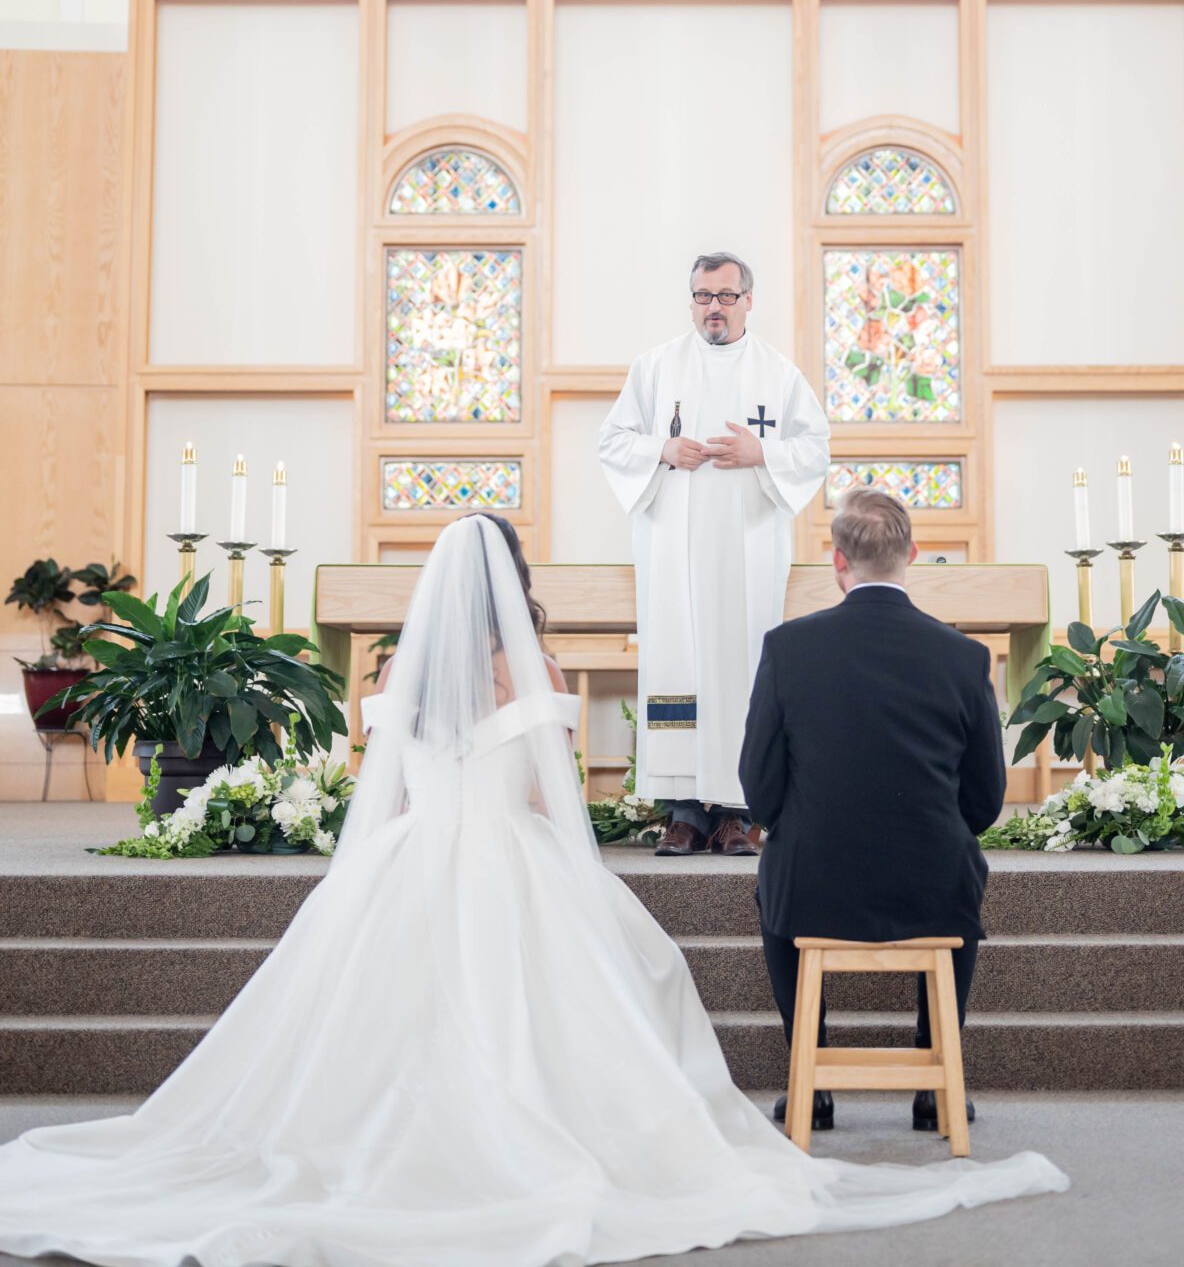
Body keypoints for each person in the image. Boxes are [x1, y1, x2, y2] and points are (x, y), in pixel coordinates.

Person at [0, 514, 1066, 1266]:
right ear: (512, 585)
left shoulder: (389, 675)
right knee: (623, 972)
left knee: (357, 1017)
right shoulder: (539, 675)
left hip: (402, 862)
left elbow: (385, 788)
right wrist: (578, 876)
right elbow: (554, 808)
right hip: (508, 850)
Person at [740, 487, 1007, 1135]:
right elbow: (985, 796)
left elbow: (758, 782)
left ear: (837, 561)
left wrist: (796, 826)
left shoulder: (787, 648)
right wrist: (936, 833)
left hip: (815, 881)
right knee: (960, 871)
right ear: (911, 553)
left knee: (778, 875)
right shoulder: (963, 656)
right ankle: (933, 1078)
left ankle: (813, 1082)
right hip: (929, 882)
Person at [599, 252, 829, 857]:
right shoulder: (655, 367)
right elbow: (613, 440)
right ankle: (682, 813)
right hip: (673, 551)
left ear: (748, 300)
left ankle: (736, 813)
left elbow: (816, 447)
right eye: (703, 296)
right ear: (692, 301)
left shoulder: (778, 374)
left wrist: (764, 455)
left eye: (726, 296)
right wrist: (663, 449)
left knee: (741, 667)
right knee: (679, 665)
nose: (714, 308)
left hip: (748, 550)